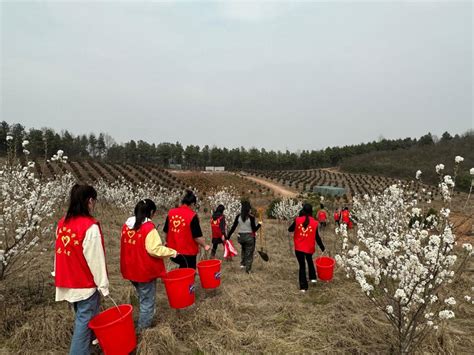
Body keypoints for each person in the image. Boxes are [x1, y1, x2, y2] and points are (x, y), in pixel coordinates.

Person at [54, 184, 109, 355]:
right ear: (90, 201)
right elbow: (96, 260)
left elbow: (59, 253)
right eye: (94, 201)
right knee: (83, 324)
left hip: (67, 281)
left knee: (83, 319)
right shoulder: (89, 227)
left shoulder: (62, 224)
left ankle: (89, 349)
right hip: (84, 284)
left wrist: (56, 273)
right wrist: (103, 286)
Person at [120, 199, 177, 331]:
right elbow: (154, 250)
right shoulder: (148, 228)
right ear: (151, 212)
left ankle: (142, 322)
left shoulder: (127, 226)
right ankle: (143, 331)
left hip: (130, 269)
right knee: (147, 303)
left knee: (143, 296)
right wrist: (173, 252)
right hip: (143, 271)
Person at [163, 190, 210, 269]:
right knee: (188, 273)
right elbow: (197, 237)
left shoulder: (171, 212)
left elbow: (166, 232)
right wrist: (205, 245)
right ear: (192, 204)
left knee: (182, 269)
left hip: (172, 252)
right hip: (188, 253)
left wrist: (166, 242)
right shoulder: (192, 216)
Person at [288, 203, 325, 293]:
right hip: (309, 247)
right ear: (311, 212)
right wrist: (322, 247)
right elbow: (317, 237)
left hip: (299, 247)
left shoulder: (297, 220)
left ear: (303, 210)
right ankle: (313, 278)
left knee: (302, 266)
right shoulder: (315, 222)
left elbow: (290, 229)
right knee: (309, 260)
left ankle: (303, 287)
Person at [227, 201, 261, 274]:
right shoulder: (251, 217)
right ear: (249, 209)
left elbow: (233, 227)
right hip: (249, 237)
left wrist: (228, 236)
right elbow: (254, 229)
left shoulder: (238, 216)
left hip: (241, 238)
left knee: (244, 248)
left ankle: (243, 263)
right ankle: (248, 270)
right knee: (249, 253)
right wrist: (259, 224)